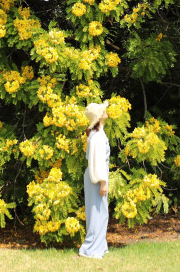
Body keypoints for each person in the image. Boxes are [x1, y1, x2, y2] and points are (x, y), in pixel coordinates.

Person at [78, 101, 110, 259]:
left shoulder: (97, 133)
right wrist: (103, 182)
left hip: (95, 177)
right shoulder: (97, 137)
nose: (105, 111)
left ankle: (99, 246)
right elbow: (97, 162)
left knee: (99, 212)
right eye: (102, 110)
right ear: (98, 117)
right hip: (96, 178)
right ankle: (92, 249)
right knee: (98, 213)